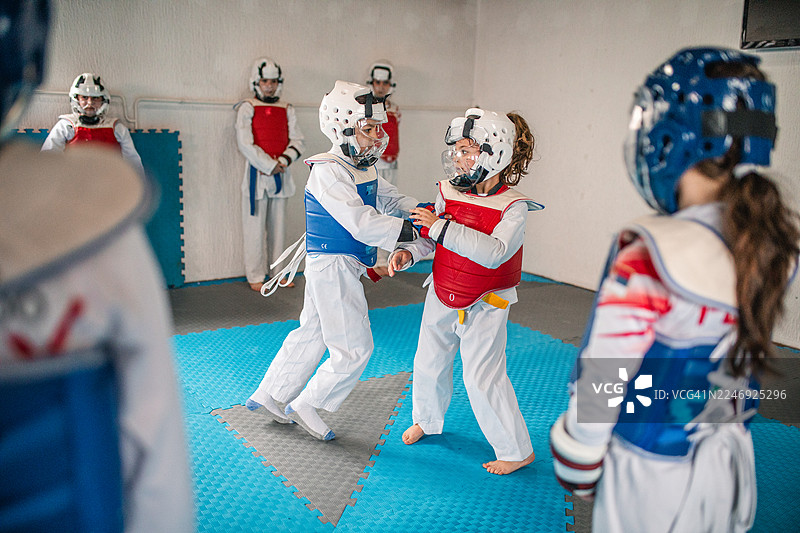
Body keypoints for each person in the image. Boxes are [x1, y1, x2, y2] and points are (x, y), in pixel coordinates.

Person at [549, 47, 799, 533]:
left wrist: (578, 454)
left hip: (647, 467)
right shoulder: (770, 242)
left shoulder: (651, 254)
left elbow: (605, 378)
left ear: (671, 135)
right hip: (729, 466)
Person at [0, 1, 195, 531]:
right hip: (72, 227)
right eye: (81, 96)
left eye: (92, 97)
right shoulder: (63, 129)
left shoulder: (116, 131)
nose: (86, 102)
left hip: (104, 220)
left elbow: (131, 168)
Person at [246, 80, 420, 441]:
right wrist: (412, 232)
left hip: (339, 264)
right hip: (333, 266)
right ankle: (308, 402)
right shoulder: (328, 170)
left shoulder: (362, 167)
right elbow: (362, 222)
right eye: (368, 129)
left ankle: (272, 394)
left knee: (313, 332)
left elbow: (389, 198)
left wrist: (421, 211)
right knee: (356, 346)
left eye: (378, 129)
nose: (376, 137)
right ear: (342, 127)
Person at [388, 108, 544, 475]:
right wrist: (408, 253)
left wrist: (440, 228)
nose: (459, 159)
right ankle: (427, 419)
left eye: (468, 151)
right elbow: (432, 239)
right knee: (428, 360)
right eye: (456, 151)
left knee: (482, 376)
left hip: (486, 302)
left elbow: (494, 254)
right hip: (441, 289)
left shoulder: (513, 207)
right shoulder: (446, 191)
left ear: (496, 154)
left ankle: (517, 449)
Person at [235, 57, 305, 291]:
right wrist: (268, 164)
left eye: (273, 81)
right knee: (253, 228)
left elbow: (297, 140)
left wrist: (282, 161)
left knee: (279, 228)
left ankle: (280, 273)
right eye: (265, 81)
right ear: (257, 81)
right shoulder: (247, 107)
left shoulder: (287, 109)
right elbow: (245, 143)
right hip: (256, 176)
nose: (269, 86)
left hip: (281, 175)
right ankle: (255, 275)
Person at [41, 71, 145, 176]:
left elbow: (132, 161)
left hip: (108, 182)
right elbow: (48, 156)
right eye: (85, 98)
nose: (90, 103)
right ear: (77, 98)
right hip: (74, 181)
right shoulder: (66, 126)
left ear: (103, 100)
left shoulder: (117, 128)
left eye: (95, 98)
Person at [367, 61, 400, 186]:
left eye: (385, 83)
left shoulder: (395, 109)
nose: (381, 87)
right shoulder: (366, 108)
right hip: (374, 161)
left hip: (391, 161)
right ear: (372, 83)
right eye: (378, 82)